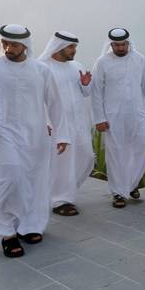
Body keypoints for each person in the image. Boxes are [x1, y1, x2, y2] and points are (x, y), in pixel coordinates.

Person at [0, 24, 69, 258]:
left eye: (13, 44)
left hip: (36, 133)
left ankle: (30, 225)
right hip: (3, 130)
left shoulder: (41, 70)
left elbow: (55, 103)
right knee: (12, 176)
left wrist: (62, 134)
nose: (8, 48)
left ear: (25, 45)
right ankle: (7, 232)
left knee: (35, 180)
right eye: (5, 43)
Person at [90, 28, 145, 208]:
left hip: (137, 113)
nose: (120, 48)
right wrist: (99, 118)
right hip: (113, 116)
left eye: (123, 44)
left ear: (129, 43)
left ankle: (130, 183)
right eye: (117, 45)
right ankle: (118, 193)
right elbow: (96, 92)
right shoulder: (102, 62)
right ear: (111, 44)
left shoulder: (139, 59)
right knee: (116, 153)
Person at [39, 31, 94, 216]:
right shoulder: (42, 67)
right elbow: (37, 99)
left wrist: (85, 84)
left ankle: (64, 191)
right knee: (62, 162)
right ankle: (61, 200)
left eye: (74, 47)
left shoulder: (76, 66)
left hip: (79, 122)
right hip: (57, 124)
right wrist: (46, 122)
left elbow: (86, 93)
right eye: (70, 47)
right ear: (59, 46)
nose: (74, 50)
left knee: (87, 157)